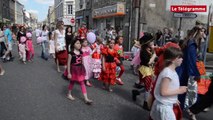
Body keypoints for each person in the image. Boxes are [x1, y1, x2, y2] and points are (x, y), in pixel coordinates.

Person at [150, 47, 187, 120]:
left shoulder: (171, 71)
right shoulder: (168, 73)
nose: (182, 59)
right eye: (179, 58)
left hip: (164, 105)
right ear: (173, 60)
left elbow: (169, 88)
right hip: (164, 108)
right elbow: (163, 92)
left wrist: (174, 99)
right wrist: (180, 90)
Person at [177, 26, 202, 109]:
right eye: (202, 32)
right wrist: (196, 74)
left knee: (183, 90)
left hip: (184, 69)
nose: (204, 34)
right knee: (187, 89)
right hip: (186, 70)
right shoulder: (192, 44)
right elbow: (191, 60)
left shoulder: (189, 41)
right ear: (198, 33)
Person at [67, 38, 93, 105]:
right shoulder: (71, 53)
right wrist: (69, 73)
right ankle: (69, 94)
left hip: (80, 69)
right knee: (72, 82)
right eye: (77, 43)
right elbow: (68, 64)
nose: (79, 45)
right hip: (73, 69)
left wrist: (84, 69)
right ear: (73, 44)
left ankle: (86, 98)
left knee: (82, 82)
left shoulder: (81, 52)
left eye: (79, 43)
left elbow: (82, 62)